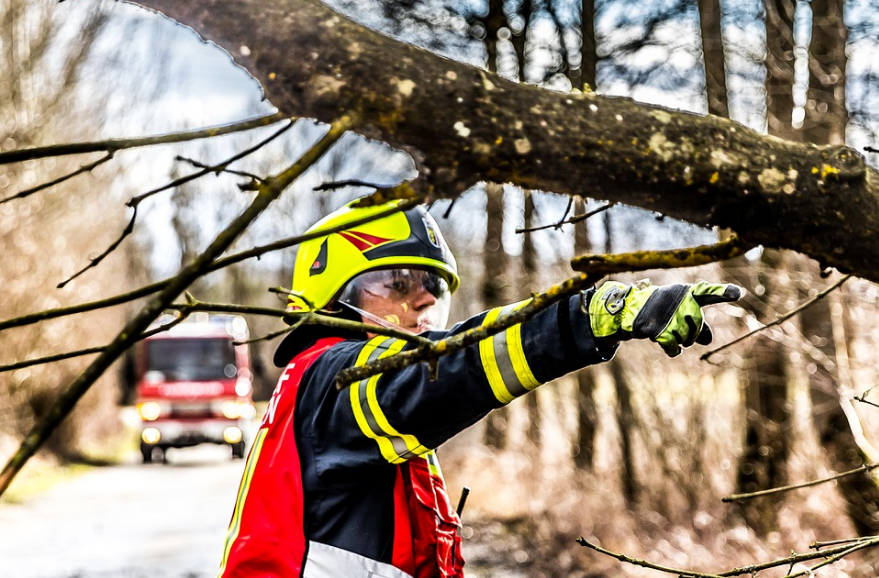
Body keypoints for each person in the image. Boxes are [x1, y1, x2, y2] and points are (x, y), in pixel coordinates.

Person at [217, 198, 741, 578]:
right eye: (399, 283)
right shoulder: (336, 379)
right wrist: (589, 317)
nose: (422, 302)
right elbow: (454, 369)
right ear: (333, 299)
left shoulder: (318, 389)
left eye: (432, 289)